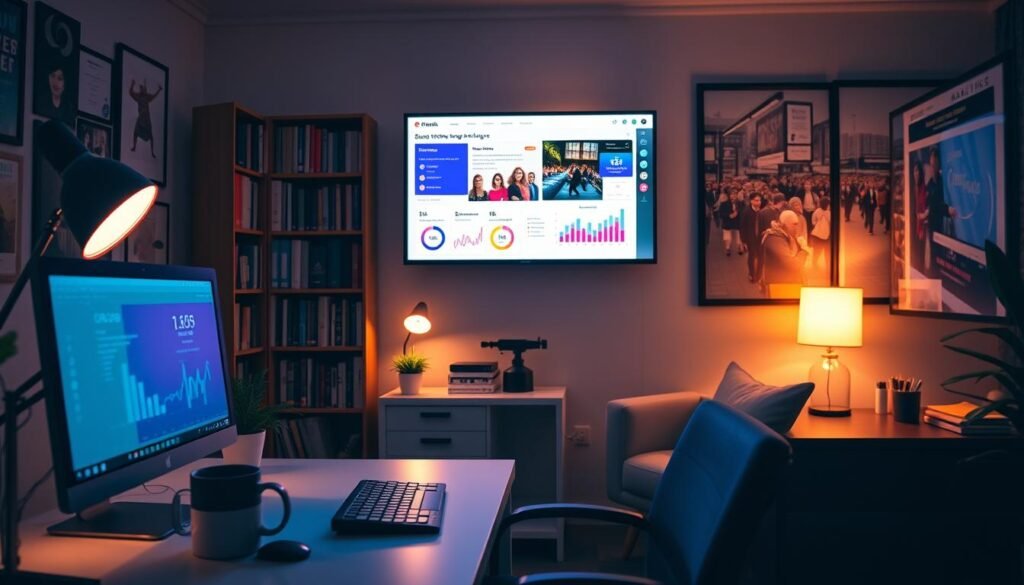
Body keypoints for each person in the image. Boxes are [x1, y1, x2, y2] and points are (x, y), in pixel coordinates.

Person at [920, 147, 956, 274]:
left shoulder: (944, 182)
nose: (933, 162)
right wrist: (926, 213)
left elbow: (942, 202)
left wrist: (946, 210)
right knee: (935, 253)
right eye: (932, 159)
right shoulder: (930, 184)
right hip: (933, 224)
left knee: (943, 254)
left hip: (943, 223)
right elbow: (932, 204)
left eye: (935, 159)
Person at [761, 210, 811, 294]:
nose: (797, 227)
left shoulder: (788, 236)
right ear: (784, 224)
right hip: (779, 286)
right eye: (794, 224)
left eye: (798, 224)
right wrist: (804, 250)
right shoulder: (774, 239)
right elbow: (793, 265)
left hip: (787, 285)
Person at [129, 79, 164, 158]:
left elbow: (154, 96)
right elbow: (131, 93)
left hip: (146, 118)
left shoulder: (147, 97)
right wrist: (132, 84)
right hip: (141, 117)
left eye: (144, 89)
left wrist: (159, 90)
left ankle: (152, 152)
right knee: (136, 132)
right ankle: (134, 146)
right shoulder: (138, 97)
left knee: (150, 136)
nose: (142, 90)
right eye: (141, 89)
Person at [740, 194, 763, 282]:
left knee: (761, 258)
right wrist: (743, 241)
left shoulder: (761, 212)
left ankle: (759, 275)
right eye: (756, 200)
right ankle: (752, 274)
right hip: (750, 238)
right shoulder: (746, 212)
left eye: (759, 200)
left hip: (760, 238)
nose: (758, 202)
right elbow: (742, 227)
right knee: (752, 257)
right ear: (751, 201)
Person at [809, 195, 831, 271]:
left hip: (819, 235)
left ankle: (816, 264)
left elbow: (813, 221)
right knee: (824, 252)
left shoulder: (817, 211)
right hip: (824, 235)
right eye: (828, 204)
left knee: (818, 251)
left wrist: (815, 224)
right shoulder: (827, 212)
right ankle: (826, 265)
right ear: (826, 205)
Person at [717, 191, 741, 256]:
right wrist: (728, 215)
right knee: (727, 236)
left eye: (735, 194)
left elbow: (744, 212)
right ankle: (728, 248)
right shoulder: (724, 204)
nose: (733, 196)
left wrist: (738, 214)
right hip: (727, 222)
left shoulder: (740, 203)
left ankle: (739, 247)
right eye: (731, 194)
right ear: (729, 195)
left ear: (737, 195)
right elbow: (720, 214)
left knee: (739, 235)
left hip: (737, 222)